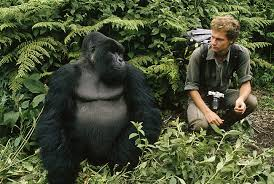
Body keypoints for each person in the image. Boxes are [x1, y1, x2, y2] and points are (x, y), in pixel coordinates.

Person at [184, 15, 257, 131]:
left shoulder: (241, 53)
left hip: (223, 94)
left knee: (251, 101)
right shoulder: (199, 54)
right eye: (212, 37)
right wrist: (207, 112)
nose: (213, 42)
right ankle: (204, 119)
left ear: (231, 41)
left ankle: (223, 126)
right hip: (200, 97)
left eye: (219, 39)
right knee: (200, 126)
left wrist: (241, 99)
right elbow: (191, 88)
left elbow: (246, 83)